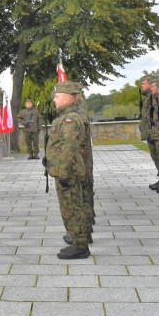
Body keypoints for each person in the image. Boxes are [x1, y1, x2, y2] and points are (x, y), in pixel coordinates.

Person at [43, 80, 92, 259]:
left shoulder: (70, 119)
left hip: (68, 172)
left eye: (56, 97)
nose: (54, 100)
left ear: (65, 98)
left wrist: (63, 172)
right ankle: (76, 238)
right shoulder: (64, 117)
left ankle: (80, 246)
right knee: (69, 207)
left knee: (71, 207)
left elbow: (69, 147)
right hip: (63, 169)